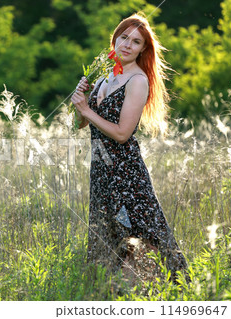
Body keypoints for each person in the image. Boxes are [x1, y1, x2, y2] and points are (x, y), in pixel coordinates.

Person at [71, 13, 188, 281]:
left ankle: (167, 291)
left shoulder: (137, 81)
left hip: (126, 174)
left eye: (135, 42)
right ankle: (119, 295)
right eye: (123, 37)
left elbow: (123, 134)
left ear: (142, 49)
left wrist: (87, 110)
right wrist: (81, 102)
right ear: (114, 39)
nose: (127, 44)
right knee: (112, 238)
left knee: (138, 236)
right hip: (102, 171)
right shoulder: (105, 77)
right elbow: (81, 124)